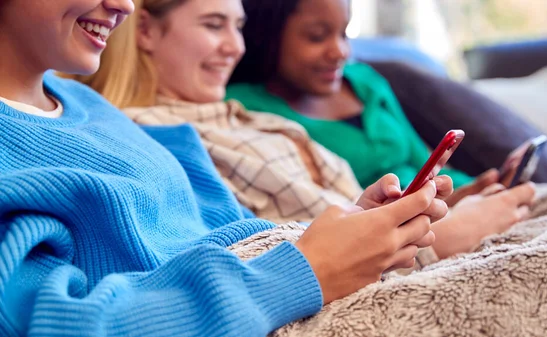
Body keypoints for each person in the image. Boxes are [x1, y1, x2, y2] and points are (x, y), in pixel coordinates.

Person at [0, 0, 452, 335]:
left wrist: (345, 236)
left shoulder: (87, 105)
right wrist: (302, 270)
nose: (124, 5)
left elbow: (230, 230)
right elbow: (57, 325)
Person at [68, 0, 536, 262]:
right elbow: (259, 251)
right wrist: (446, 237)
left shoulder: (249, 119)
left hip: (405, 244)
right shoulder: (151, 136)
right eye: (214, 25)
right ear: (145, 29)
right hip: (395, 261)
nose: (234, 47)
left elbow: (346, 211)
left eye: (238, 27)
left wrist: (435, 209)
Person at [226, 0, 508, 206]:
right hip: (387, 221)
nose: (340, 52)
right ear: (267, 36)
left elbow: (425, 163)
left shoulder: (365, 81)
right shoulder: (242, 108)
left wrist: (482, 186)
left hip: (450, 203)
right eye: (317, 36)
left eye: (344, 34)